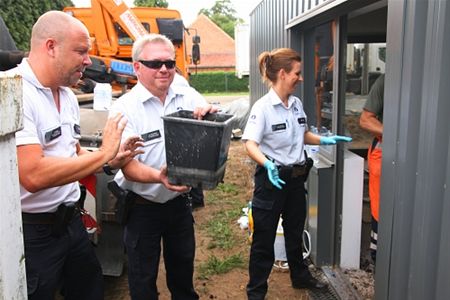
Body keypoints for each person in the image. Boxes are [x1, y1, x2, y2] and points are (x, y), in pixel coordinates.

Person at [11, 11, 142, 300]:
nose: (88, 60)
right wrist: (104, 153)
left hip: (70, 224)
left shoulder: (67, 95)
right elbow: (33, 175)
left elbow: (74, 153)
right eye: (81, 51)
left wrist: (111, 159)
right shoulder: (13, 91)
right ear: (50, 46)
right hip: (32, 234)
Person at [110, 33, 216, 300]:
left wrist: (208, 111)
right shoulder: (124, 109)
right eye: (155, 64)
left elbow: (207, 113)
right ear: (137, 67)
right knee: (142, 278)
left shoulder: (185, 94)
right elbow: (128, 167)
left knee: (182, 272)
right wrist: (159, 176)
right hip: (142, 208)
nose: (164, 69)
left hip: (179, 203)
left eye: (169, 63)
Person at [242, 48, 352, 300]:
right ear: (282, 74)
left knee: (294, 234)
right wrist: (267, 164)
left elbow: (303, 135)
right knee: (263, 240)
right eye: (297, 73)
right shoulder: (263, 108)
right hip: (272, 181)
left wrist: (326, 139)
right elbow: (249, 143)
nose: (301, 78)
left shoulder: (295, 104)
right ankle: (256, 292)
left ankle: (299, 276)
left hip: (295, 181)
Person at [359, 73, 385, 264]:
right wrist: (396, 134)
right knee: (379, 208)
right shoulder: (386, 80)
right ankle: (377, 259)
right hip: (384, 154)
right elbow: (365, 120)